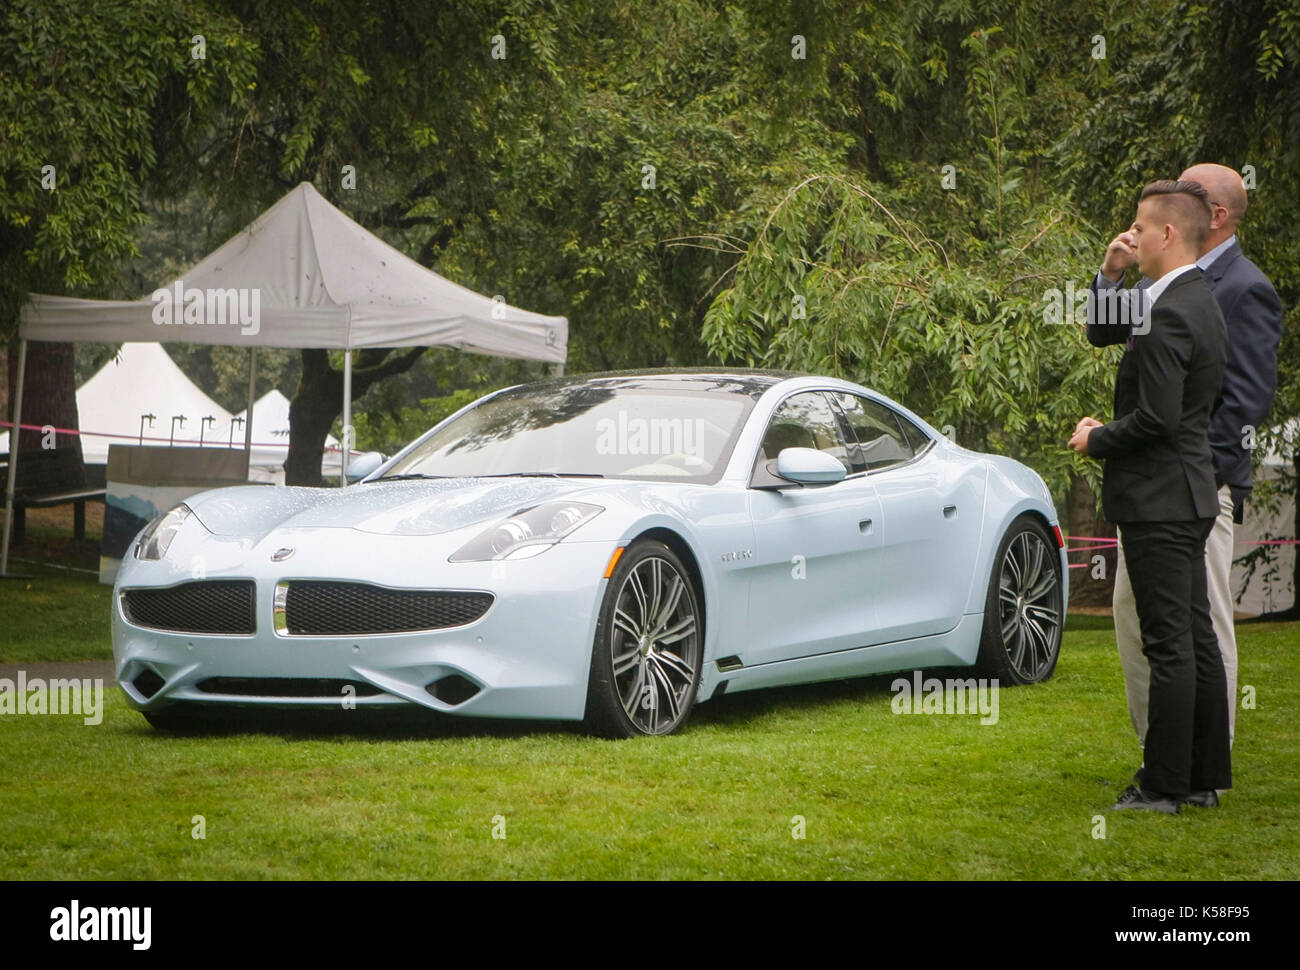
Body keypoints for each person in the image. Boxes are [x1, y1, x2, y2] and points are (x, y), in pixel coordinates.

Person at [1086, 164, 1284, 754]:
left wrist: (1203, 479)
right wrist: (1111, 274)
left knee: (1202, 625)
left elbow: (1245, 401)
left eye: (1187, 192)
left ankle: (1205, 755)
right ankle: (1161, 752)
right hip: (1153, 488)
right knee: (1137, 617)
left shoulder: (1246, 288)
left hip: (1196, 489)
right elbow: (1102, 332)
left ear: (1214, 215)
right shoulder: (1159, 282)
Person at [1069, 179, 1230, 813]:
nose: (1130, 236)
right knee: (1193, 637)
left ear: (1167, 234)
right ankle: (1200, 778)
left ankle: (1164, 785)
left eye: (1138, 227)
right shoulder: (1186, 295)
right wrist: (1108, 275)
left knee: (1169, 644)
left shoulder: (1167, 309)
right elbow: (1099, 333)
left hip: (1162, 497)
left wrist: (1096, 438)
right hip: (1187, 490)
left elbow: (1158, 419)